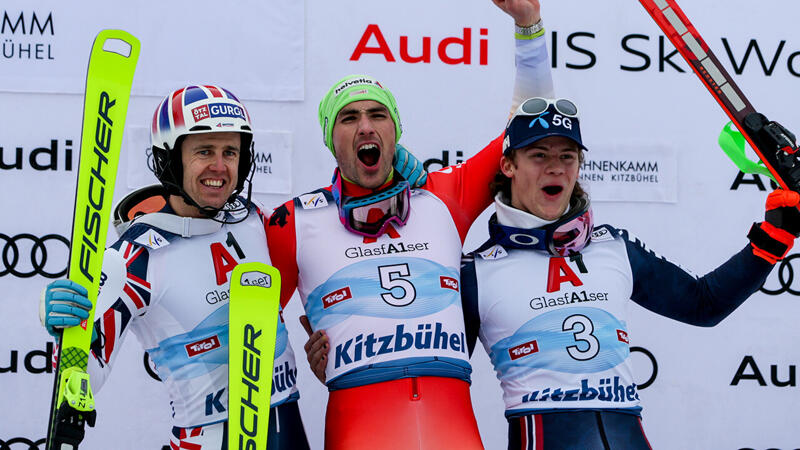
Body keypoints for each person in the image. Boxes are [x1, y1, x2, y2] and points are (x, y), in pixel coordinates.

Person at [266, 1, 552, 447]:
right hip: (358, 426)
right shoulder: (293, 221)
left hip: (452, 428)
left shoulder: (441, 197)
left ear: (395, 129)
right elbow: (245, 318)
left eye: (377, 115)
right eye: (349, 117)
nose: (365, 127)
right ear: (330, 137)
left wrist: (528, 27)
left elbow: (529, 128)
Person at [457, 96, 798, 448]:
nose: (556, 167)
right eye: (539, 155)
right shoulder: (476, 273)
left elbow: (704, 305)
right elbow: (439, 388)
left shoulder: (613, 247)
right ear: (508, 166)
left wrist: (774, 235)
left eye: (567, 156)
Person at [40, 85, 310, 450]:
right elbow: (86, 375)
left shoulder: (255, 221)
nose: (219, 166)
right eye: (204, 151)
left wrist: (409, 179)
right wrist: (65, 333)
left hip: (288, 432)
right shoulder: (133, 258)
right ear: (170, 158)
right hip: (205, 439)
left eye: (230, 151)